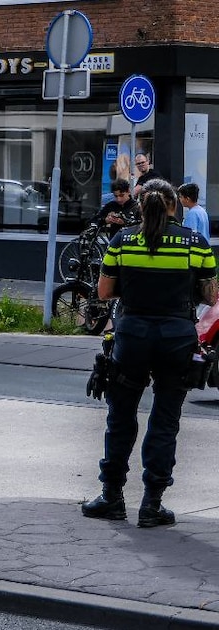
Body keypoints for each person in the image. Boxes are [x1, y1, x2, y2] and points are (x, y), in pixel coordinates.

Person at [83, 178, 218, 528]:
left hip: (132, 337)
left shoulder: (123, 239)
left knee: (121, 416)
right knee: (165, 421)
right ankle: (152, 503)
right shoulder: (195, 243)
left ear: (141, 206)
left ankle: (112, 497)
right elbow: (210, 296)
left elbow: (105, 290)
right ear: (175, 206)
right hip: (176, 338)